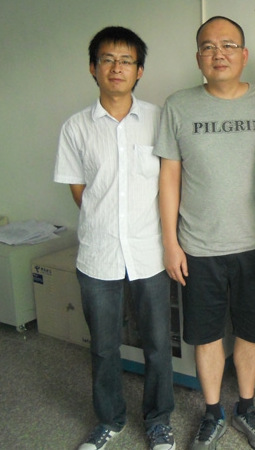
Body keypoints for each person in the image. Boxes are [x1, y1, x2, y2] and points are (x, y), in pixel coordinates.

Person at [154, 16, 255, 450]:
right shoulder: (178, 105)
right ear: (198, 58)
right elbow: (169, 177)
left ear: (244, 55)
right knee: (205, 335)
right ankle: (212, 412)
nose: (218, 54)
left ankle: (247, 407)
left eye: (227, 45)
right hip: (198, 245)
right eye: (208, 47)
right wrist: (170, 242)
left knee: (251, 332)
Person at [54, 26, 175, 450]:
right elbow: (79, 192)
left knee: (158, 344)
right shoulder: (75, 128)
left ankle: (158, 420)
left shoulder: (160, 120)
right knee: (104, 347)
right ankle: (109, 419)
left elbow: (171, 184)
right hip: (99, 253)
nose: (116, 67)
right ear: (93, 68)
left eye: (126, 60)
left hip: (150, 252)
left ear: (139, 71)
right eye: (107, 59)